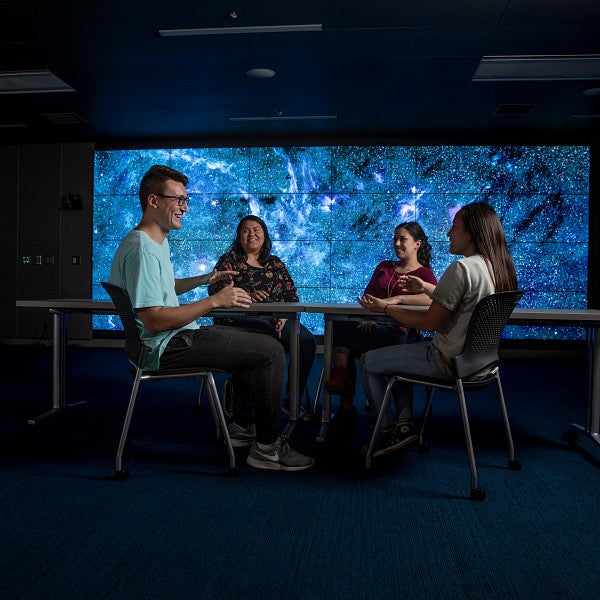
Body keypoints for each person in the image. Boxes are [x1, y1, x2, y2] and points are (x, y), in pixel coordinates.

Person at [108, 164, 314, 471]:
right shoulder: (143, 250)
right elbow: (155, 320)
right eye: (177, 200)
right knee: (270, 350)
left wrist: (205, 278)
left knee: (256, 342)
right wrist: (215, 299)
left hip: (169, 339)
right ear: (153, 201)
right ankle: (267, 449)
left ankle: (243, 428)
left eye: (185, 200)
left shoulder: (152, 242)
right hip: (167, 344)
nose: (185, 208)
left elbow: (164, 288)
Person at [358, 202, 518, 458]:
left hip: (446, 361)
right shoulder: (499, 268)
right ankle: (403, 423)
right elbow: (465, 300)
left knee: (368, 362)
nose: (448, 233)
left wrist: (385, 308)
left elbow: (429, 323)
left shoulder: (462, 268)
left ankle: (388, 432)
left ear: (471, 233)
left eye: (455, 227)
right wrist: (426, 288)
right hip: (482, 365)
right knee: (400, 352)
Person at [324, 222, 437, 441]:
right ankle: (341, 380)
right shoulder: (384, 266)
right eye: (395, 238)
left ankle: (399, 419)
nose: (396, 243)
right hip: (373, 328)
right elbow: (368, 297)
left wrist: (396, 299)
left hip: (401, 331)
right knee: (338, 327)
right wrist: (368, 318)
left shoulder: (423, 274)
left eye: (402, 239)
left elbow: (434, 298)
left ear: (417, 244)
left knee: (392, 338)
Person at [208, 215, 316, 416]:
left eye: (256, 229)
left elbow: (291, 294)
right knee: (263, 337)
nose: (252, 234)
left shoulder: (275, 263)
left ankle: (292, 401)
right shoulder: (229, 261)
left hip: (278, 321)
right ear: (239, 236)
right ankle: (243, 400)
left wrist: (284, 318)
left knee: (307, 341)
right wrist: (248, 295)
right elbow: (217, 289)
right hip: (240, 321)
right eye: (246, 230)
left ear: (265, 235)